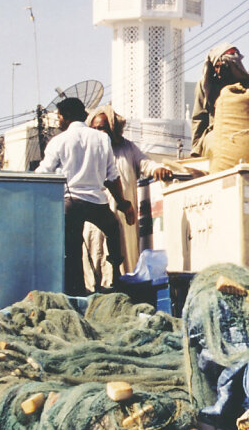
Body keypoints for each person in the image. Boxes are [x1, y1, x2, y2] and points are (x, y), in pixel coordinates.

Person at [36, 97, 134, 296]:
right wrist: (124, 204)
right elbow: (112, 176)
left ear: (65, 117)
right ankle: (115, 278)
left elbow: (43, 173)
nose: (58, 122)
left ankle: (77, 291)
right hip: (97, 202)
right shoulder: (101, 138)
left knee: (72, 250)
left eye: (59, 117)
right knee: (113, 230)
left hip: (70, 203)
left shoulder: (58, 141)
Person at [82, 105, 173, 290]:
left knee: (121, 265)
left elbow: (145, 163)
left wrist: (158, 169)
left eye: (102, 128)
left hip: (122, 218)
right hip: (93, 220)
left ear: (112, 129)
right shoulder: (87, 153)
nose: (98, 133)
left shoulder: (127, 148)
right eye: (95, 129)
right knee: (93, 263)